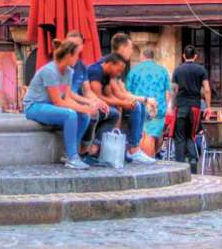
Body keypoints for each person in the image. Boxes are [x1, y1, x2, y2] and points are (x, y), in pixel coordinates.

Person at [26, 40, 95, 169]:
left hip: (50, 106)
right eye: (76, 55)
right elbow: (58, 101)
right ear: (69, 55)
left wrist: (85, 109)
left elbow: (67, 98)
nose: (78, 58)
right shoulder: (50, 71)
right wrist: (82, 107)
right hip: (34, 106)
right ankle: (72, 158)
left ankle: (69, 152)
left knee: (84, 116)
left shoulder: (69, 72)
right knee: (70, 114)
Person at [96, 50, 157, 165]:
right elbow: (116, 94)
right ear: (124, 48)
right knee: (136, 110)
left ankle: (134, 149)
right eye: (130, 49)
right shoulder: (104, 71)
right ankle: (133, 149)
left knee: (138, 107)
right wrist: (141, 100)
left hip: (132, 104)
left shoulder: (132, 71)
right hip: (149, 107)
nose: (119, 73)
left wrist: (140, 100)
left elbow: (122, 91)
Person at [125, 43, 171, 159]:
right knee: (152, 135)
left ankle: (146, 160)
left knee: (142, 134)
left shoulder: (134, 71)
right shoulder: (163, 71)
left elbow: (127, 91)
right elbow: (167, 93)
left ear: (142, 56)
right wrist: (166, 107)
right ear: (152, 57)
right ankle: (151, 158)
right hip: (158, 108)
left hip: (140, 107)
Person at [172, 45, 212, 166]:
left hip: (181, 106)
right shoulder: (201, 70)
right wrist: (208, 106)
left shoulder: (177, 70)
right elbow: (207, 89)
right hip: (195, 106)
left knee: (179, 136)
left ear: (184, 55)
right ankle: (193, 160)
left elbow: (174, 89)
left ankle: (179, 164)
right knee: (190, 135)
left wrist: (171, 105)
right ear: (195, 56)